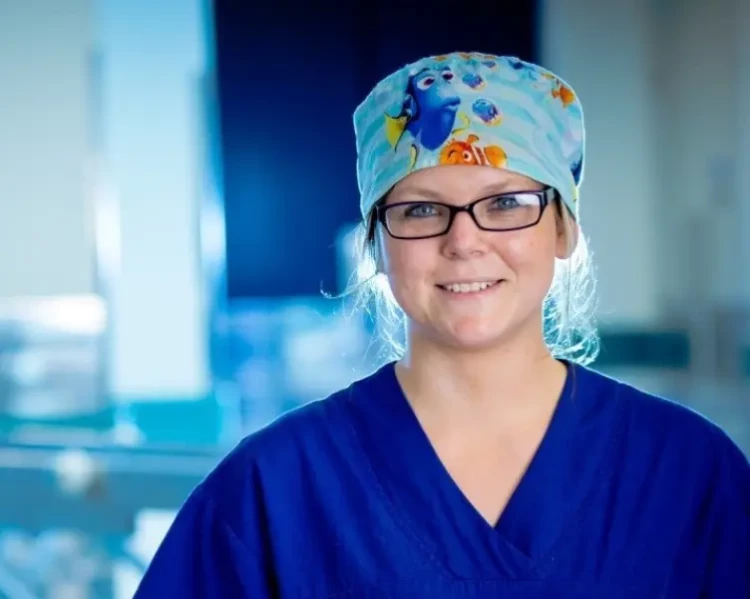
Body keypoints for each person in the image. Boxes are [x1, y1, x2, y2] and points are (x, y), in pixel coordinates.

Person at [134, 52, 749, 598]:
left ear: (564, 229)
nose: (464, 240)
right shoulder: (273, 491)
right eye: (421, 209)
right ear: (377, 245)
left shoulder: (688, 473)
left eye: (506, 203)